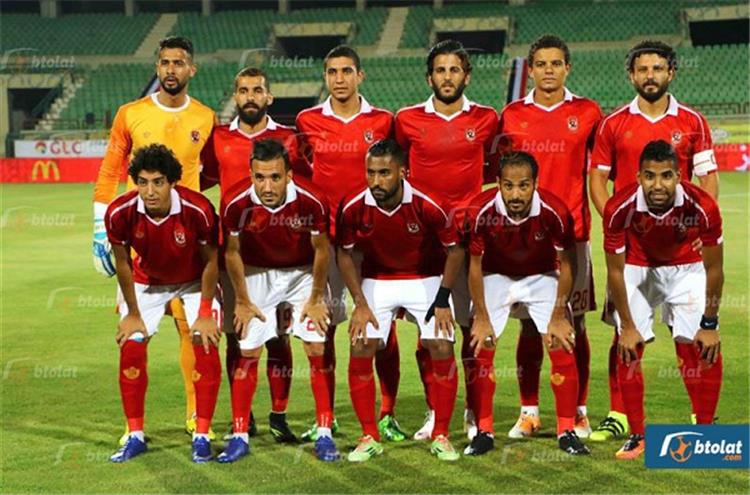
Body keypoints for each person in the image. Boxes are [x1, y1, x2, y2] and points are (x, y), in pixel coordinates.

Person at [588, 40, 719, 441]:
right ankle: (620, 416)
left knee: (692, 341)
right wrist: (617, 223)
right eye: (642, 69)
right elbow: (598, 180)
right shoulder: (613, 124)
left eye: (657, 68)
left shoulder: (693, 122)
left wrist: (698, 227)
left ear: (671, 73)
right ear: (631, 75)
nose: (650, 75)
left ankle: (702, 422)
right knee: (624, 335)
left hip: (682, 253)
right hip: (633, 254)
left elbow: (708, 178)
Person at [92, 36, 216, 441]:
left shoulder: (206, 117)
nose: (170, 70)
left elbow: (212, 171)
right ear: (157, 67)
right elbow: (111, 170)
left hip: (187, 239)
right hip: (140, 239)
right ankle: (133, 428)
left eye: (178, 63)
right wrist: (99, 227)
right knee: (132, 334)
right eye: (164, 62)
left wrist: (193, 207)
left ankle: (195, 415)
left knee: (190, 329)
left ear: (191, 69)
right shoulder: (130, 114)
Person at [296, 45, 404, 442]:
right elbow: (300, 172)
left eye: (346, 71)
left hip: (370, 241)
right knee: (322, 329)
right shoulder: (307, 120)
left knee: (379, 330)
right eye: (332, 72)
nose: (339, 79)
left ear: (360, 76)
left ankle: (387, 413)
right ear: (325, 77)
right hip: (325, 242)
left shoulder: (383, 121)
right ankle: (326, 417)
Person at [498, 34, 602, 439]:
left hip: (573, 235)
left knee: (575, 323)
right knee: (528, 325)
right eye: (540, 64)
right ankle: (529, 412)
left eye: (556, 63)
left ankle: (578, 411)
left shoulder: (588, 113)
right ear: (531, 70)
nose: (548, 71)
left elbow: (604, 169)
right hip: (522, 237)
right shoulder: (512, 115)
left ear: (567, 68)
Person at [395, 39, 499, 440]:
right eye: (440, 70)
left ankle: (473, 414)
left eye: (455, 69)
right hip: (424, 245)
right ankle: (435, 412)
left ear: (466, 76)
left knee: (473, 330)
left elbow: (494, 168)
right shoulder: (407, 120)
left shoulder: (486, 119)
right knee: (428, 335)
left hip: (471, 243)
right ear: (429, 78)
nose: (447, 77)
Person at [337, 139, 465, 462]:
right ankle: (369, 436)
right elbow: (344, 254)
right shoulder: (353, 206)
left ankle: (442, 435)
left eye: (385, 173)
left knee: (441, 343)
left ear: (403, 172)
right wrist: (359, 303)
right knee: (361, 343)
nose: (376, 181)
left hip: (425, 277)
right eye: (370, 173)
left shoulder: (429, 203)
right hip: (378, 278)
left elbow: (455, 251)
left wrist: (442, 300)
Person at [201, 66, 309, 442]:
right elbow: (203, 179)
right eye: (244, 90)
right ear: (235, 96)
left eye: (257, 90)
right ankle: (241, 417)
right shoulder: (218, 138)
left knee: (280, 336)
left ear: (269, 97)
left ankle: (279, 415)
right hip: (235, 255)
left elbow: (303, 184)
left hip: (280, 255)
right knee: (238, 335)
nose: (250, 97)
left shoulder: (288, 138)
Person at [218, 139, 338, 463]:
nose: (267, 186)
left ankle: (325, 433)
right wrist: (242, 300)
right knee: (247, 350)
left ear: (289, 175)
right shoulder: (234, 203)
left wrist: (316, 298)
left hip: (302, 274)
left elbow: (322, 251)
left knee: (316, 346)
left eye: (275, 177)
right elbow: (232, 253)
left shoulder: (313, 200)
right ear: (251, 174)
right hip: (257, 273)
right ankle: (240, 436)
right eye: (260, 177)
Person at [602, 139, 723, 460]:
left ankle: (707, 434)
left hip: (687, 268)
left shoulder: (703, 206)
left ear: (679, 176)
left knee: (706, 346)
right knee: (628, 347)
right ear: (638, 176)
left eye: (666, 176)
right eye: (650, 176)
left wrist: (710, 323)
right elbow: (615, 272)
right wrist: (627, 326)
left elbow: (714, 268)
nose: (658, 185)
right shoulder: (618, 207)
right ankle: (638, 436)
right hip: (637, 269)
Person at [466, 151, 589, 456]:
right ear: (498, 183)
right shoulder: (480, 211)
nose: (516, 194)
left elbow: (567, 264)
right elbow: (474, 266)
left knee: (561, 341)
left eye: (523, 185)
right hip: (495, 275)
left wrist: (558, 315)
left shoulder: (554, 211)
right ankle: (483, 431)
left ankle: (566, 431)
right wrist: (481, 316)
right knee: (481, 343)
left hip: (541, 275)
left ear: (535, 183)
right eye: (508, 186)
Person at [105, 144, 221, 463]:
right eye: (143, 182)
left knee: (205, 342)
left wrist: (206, 312)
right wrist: (132, 313)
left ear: (172, 182)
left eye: (158, 182)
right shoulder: (119, 212)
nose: (150, 191)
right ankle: (135, 435)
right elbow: (123, 262)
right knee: (131, 345)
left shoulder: (198, 209)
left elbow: (212, 261)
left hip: (194, 280)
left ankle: (201, 435)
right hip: (147, 282)